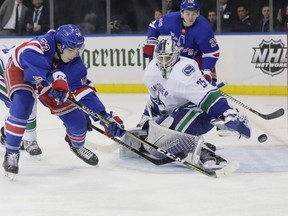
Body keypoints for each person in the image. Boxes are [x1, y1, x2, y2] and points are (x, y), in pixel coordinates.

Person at [2, 24, 125, 179]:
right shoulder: (45, 43)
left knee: (78, 121)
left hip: (49, 80)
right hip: (22, 71)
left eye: (77, 50)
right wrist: (50, 78)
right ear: (59, 46)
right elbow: (27, 55)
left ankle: (76, 146)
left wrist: (104, 117)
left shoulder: (74, 63)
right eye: (71, 50)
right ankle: (11, 153)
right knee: (23, 105)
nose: (74, 54)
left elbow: (84, 92)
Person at [130, 38, 250, 170]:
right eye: (161, 58)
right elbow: (156, 102)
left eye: (168, 58)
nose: (164, 63)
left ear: (175, 56)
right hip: (178, 112)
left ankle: (204, 152)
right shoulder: (151, 71)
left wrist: (227, 113)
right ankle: (192, 144)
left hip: (200, 112)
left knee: (167, 139)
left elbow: (208, 96)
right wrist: (144, 123)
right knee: (154, 145)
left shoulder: (184, 72)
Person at [143, 0, 219, 87]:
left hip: (198, 59)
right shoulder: (171, 20)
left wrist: (207, 71)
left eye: (194, 13)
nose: (190, 17)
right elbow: (154, 26)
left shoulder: (204, 28)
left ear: (198, 13)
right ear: (182, 13)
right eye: (187, 13)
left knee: (209, 85)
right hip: (178, 58)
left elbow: (212, 53)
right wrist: (150, 43)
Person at [0, 43, 42, 157]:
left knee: (23, 102)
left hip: (8, 72)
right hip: (6, 74)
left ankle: (10, 135)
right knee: (24, 102)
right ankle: (29, 140)